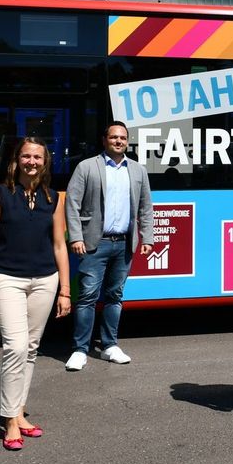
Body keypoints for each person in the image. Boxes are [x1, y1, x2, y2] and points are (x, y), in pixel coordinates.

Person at [0, 137, 72, 451]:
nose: (32, 162)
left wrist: (66, 291)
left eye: (38, 157)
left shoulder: (54, 198)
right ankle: (8, 420)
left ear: (45, 163)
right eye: (26, 156)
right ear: (16, 160)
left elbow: (60, 244)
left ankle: (19, 412)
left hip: (46, 280)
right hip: (9, 280)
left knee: (31, 347)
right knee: (16, 347)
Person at [64, 122, 154, 371]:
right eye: (114, 137)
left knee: (115, 296)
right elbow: (72, 203)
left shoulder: (138, 170)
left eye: (123, 138)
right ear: (104, 140)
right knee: (87, 297)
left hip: (124, 244)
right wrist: (76, 237)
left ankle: (109, 346)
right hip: (95, 243)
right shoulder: (87, 167)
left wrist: (147, 238)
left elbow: (146, 207)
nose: (118, 141)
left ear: (127, 141)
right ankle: (80, 349)